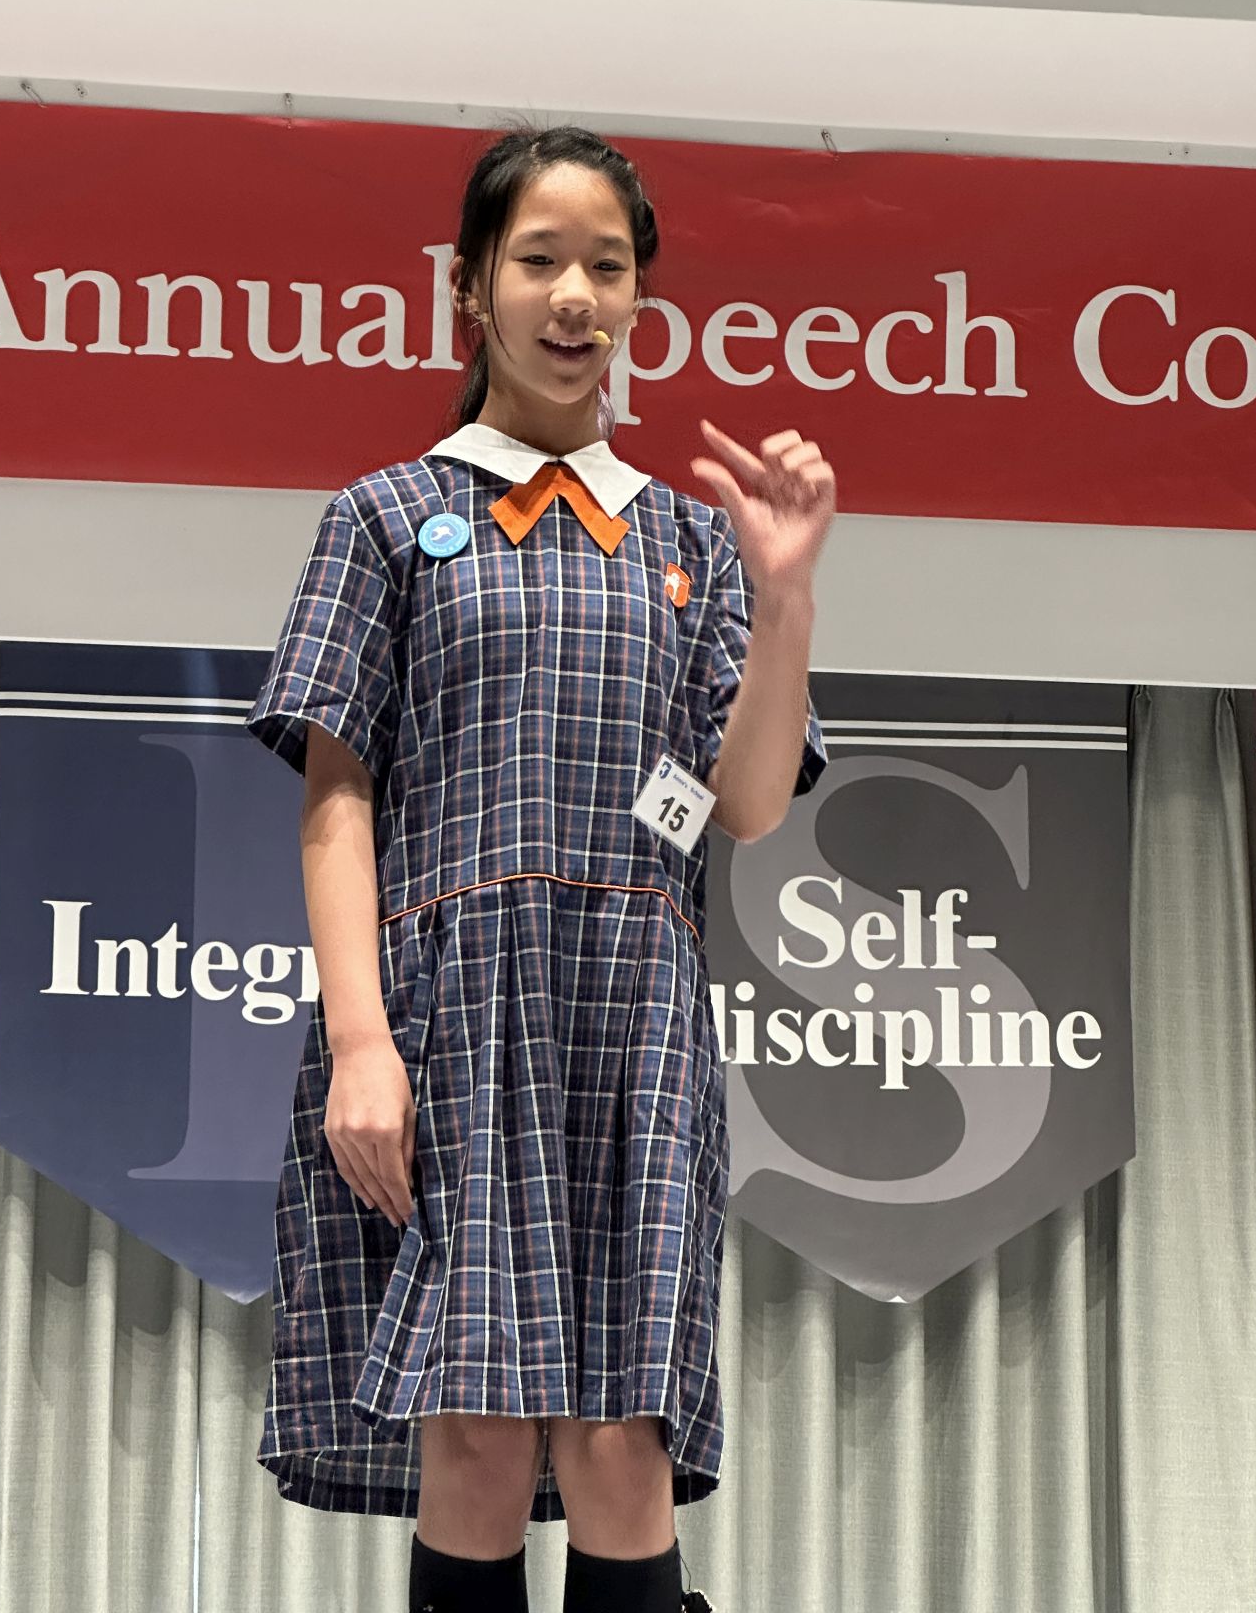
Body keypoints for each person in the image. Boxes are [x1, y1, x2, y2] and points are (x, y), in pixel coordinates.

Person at [245, 124, 834, 1613]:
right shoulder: (387, 519)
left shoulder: (690, 539)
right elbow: (337, 797)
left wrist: (785, 601)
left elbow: (749, 805)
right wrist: (362, 1046)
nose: (575, 295)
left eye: (608, 267)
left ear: (638, 298)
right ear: (471, 287)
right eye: (539, 260)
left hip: (634, 1015)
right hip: (449, 1017)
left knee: (624, 1445)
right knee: (480, 1438)